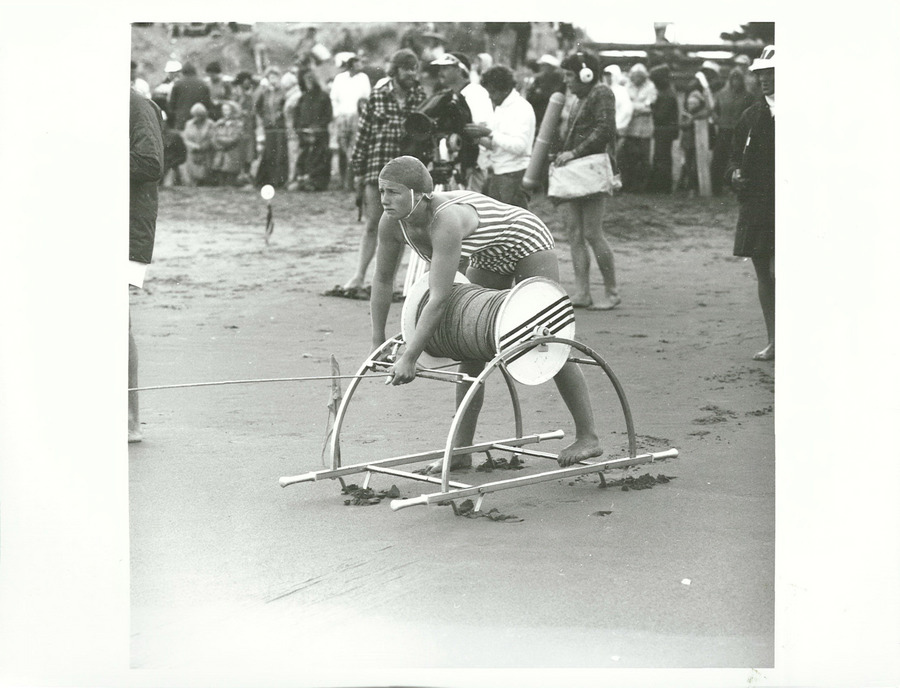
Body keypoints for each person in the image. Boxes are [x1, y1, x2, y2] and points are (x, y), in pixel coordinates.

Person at [370, 156, 605, 469]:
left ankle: (588, 436)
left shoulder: (444, 220)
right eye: (381, 191)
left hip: (526, 240)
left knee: (547, 337)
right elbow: (382, 280)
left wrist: (410, 356)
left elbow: (439, 298)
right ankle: (462, 450)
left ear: (419, 195)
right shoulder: (391, 222)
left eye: (393, 192)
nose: (384, 199)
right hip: (488, 253)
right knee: (472, 341)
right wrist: (378, 342)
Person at [343, 48, 427, 294]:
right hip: (376, 167)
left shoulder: (420, 97)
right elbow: (363, 134)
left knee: (398, 226)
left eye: (414, 69)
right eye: (407, 69)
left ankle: (385, 281)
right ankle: (359, 276)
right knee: (372, 223)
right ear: (395, 70)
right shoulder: (378, 95)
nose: (411, 74)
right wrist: (357, 171)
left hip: (405, 172)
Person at [552, 51, 620, 311]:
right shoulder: (581, 98)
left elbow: (605, 130)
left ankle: (612, 292)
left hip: (589, 170)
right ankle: (582, 292)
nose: (566, 81)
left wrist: (574, 153)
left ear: (586, 75)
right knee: (575, 233)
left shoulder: (601, 93)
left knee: (591, 232)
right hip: (578, 171)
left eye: (570, 75)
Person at [726, 46, 775, 361]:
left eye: (772, 73)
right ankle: (774, 340)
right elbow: (732, 159)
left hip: (790, 205)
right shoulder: (750, 115)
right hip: (757, 205)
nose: (765, 79)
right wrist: (733, 175)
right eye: (761, 74)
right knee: (764, 274)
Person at [129, 89, 165, 443]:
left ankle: (130, 420)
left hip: (128, 231)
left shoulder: (136, 104)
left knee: (116, 323)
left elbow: (150, 163)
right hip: (101, 227)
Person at [463, 65, 535, 209]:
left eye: (493, 92)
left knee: (512, 220)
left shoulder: (522, 108)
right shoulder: (501, 107)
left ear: (505, 89)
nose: (490, 96)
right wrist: (477, 137)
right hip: (498, 173)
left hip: (514, 174)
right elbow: (496, 144)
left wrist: (489, 133)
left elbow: (520, 146)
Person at [430, 52, 493, 191]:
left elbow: (480, 129)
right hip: (453, 162)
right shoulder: (449, 95)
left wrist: (474, 163)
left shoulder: (475, 93)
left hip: (474, 164)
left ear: (459, 70)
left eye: (445, 68)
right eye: (440, 68)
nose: (440, 72)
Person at [711, 66, 756, 196]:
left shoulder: (748, 96)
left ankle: (734, 187)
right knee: (719, 159)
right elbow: (714, 110)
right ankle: (716, 187)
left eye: (738, 79)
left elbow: (752, 113)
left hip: (739, 132)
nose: (735, 82)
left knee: (736, 159)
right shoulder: (721, 94)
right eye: (733, 79)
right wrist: (717, 119)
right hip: (723, 130)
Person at [330, 53, 372, 190]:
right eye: (357, 62)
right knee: (342, 147)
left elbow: (366, 98)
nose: (360, 65)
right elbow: (334, 98)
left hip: (357, 117)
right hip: (342, 116)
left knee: (354, 148)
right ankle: (343, 180)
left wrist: (362, 115)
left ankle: (351, 181)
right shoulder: (340, 78)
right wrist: (337, 114)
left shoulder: (363, 78)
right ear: (352, 64)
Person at [619, 63, 657, 193]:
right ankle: (627, 184)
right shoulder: (627, 86)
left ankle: (641, 186)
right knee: (628, 158)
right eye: (634, 76)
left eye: (639, 77)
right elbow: (624, 104)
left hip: (644, 130)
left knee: (643, 159)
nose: (636, 79)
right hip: (629, 129)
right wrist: (638, 107)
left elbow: (649, 108)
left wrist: (632, 107)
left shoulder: (651, 87)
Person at [293, 69, 333, 191]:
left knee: (320, 158)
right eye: (306, 80)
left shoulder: (323, 96)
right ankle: (303, 181)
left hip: (320, 134)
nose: (308, 83)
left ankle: (317, 183)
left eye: (310, 80)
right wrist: (299, 128)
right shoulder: (303, 98)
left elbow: (328, 115)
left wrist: (317, 127)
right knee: (304, 157)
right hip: (305, 134)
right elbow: (297, 115)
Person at [254, 65, 290, 188]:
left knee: (280, 153)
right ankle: (269, 179)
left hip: (280, 126)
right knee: (269, 152)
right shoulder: (265, 93)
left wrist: (281, 114)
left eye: (275, 77)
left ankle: (280, 180)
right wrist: (265, 118)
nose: (273, 80)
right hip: (269, 126)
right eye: (270, 77)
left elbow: (286, 106)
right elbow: (258, 107)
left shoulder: (283, 92)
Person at [647, 64, 679, 193]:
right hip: (666, 130)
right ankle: (662, 185)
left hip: (664, 130)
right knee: (662, 157)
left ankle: (662, 186)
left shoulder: (667, 95)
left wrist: (652, 106)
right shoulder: (669, 92)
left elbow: (661, 115)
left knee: (661, 157)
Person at [525, 54, 566, 131]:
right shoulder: (538, 79)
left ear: (550, 66)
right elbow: (529, 96)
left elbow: (554, 95)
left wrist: (539, 93)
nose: (541, 67)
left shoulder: (559, 80)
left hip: (549, 115)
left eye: (543, 65)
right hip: (537, 114)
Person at [168, 62, 214, 130]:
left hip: (182, 120)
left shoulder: (177, 84)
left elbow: (171, 105)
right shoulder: (203, 84)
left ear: (183, 72)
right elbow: (208, 105)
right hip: (199, 120)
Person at [211, 100, 244, 186]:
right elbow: (213, 137)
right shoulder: (219, 123)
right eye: (223, 110)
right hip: (220, 153)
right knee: (220, 176)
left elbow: (234, 138)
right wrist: (217, 145)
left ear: (233, 111)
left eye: (227, 110)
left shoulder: (238, 124)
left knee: (230, 177)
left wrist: (220, 140)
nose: (225, 112)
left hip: (232, 153)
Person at [182, 102, 215, 185]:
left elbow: (212, 137)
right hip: (193, 153)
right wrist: (193, 146)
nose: (197, 117)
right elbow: (185, 139)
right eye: (195, 115)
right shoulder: (188, 124)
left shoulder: (210, 124)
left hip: (206, 153)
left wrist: (203, 146)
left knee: (205, 176)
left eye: (199, 115)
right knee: (192, 176)